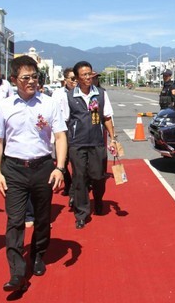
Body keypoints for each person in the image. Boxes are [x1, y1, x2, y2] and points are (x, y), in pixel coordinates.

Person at [0, 55, 67, 292]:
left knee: (42, 218)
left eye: (34, 77)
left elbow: (61, 136)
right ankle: (17, 272)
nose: (31, 81)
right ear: (13, 80)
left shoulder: (49, 103)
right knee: (15, 220)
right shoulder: (4, 106)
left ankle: (39, 254)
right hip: (13, 169)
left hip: (43, 167)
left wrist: (60, 167)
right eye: (25, 78)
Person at [67, 61, 117, 229]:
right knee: (80, 178)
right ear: (77, 78)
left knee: (98, 177)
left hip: (97, 142)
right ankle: (81, 213)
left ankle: (98, 199)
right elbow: (64, 121)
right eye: (84, 75)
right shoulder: (69, 96)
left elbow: (107, 117)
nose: (88, 77)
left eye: (90, 74)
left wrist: (113, 138)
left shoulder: (101, 94)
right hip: (77, 143)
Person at [51, 67, 76, 197]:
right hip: (62, 128)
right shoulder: (58, 94)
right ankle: (68, 183)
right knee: (63, 160)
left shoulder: (81, 92)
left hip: (77, 128)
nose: (74, 81)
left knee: (77, 160)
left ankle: (74, 190)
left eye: (76, 78)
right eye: (72, 79)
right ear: (65, 80)